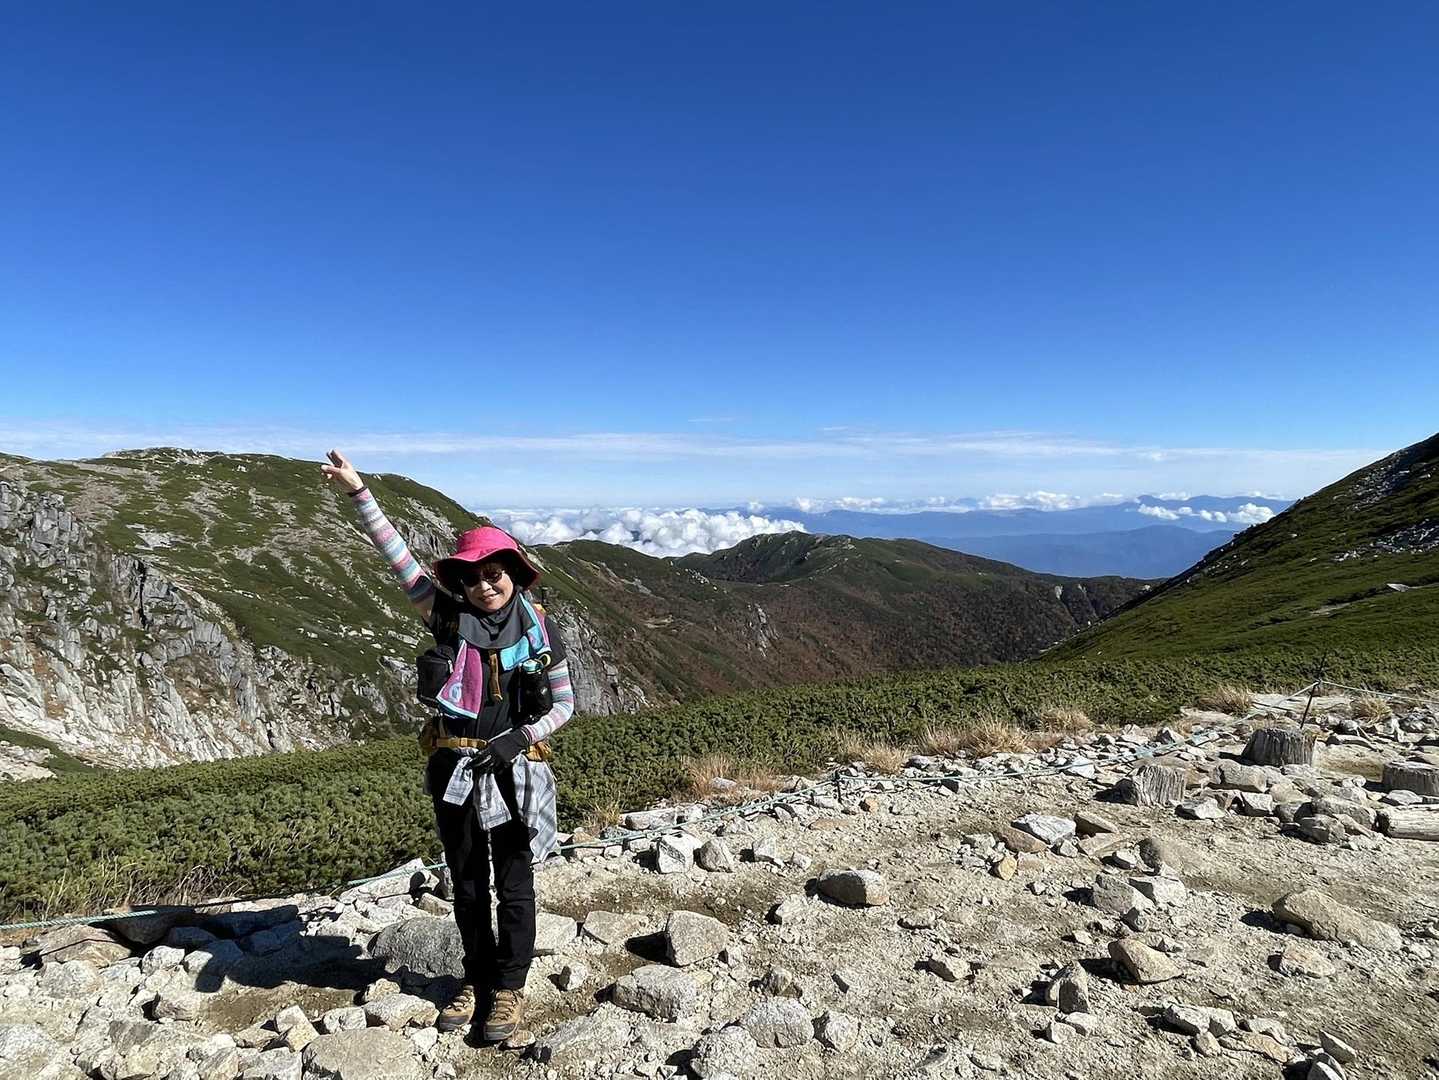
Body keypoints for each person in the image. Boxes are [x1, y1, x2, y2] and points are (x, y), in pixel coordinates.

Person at [321, 449, 576, 1042]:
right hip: (453, 764)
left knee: (515, 882)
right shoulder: (445, 617)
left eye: (495, 573)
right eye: (474, 576)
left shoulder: (541, 628)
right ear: (460, 581)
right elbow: (399, 560)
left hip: (515, 769)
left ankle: (508, 987)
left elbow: (564, 705)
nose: (486, 585)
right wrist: (360, 493)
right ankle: (476, 977)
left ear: (514, 573)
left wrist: (519, 738)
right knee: (466, 880)